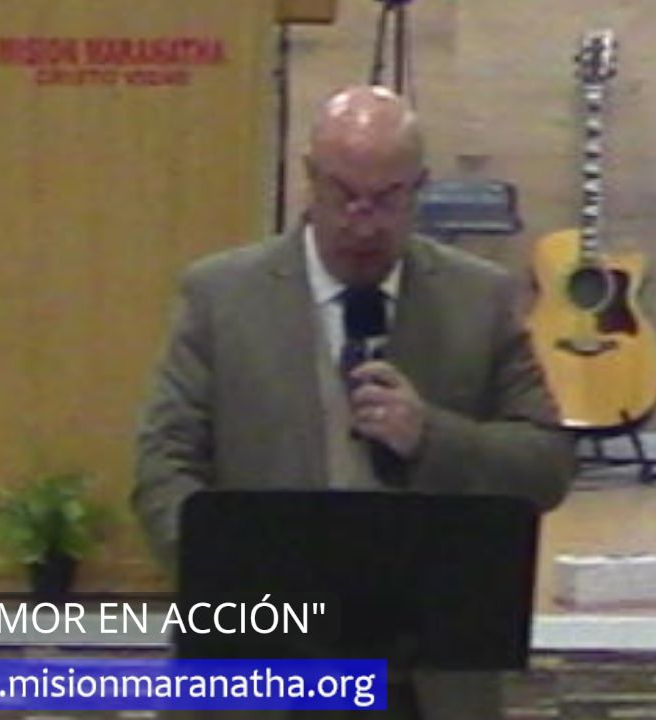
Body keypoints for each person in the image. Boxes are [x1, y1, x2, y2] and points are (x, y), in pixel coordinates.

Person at [133, 85, 576, 719]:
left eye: (386, 199)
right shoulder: (220, 297)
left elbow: (547, 465)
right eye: (343, 195)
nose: (362, 222)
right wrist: (233, 587)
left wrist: (433, 437)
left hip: (426, 681)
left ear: (419, 188)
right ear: (310, 179)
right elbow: (163, 465)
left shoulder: (479, 300)